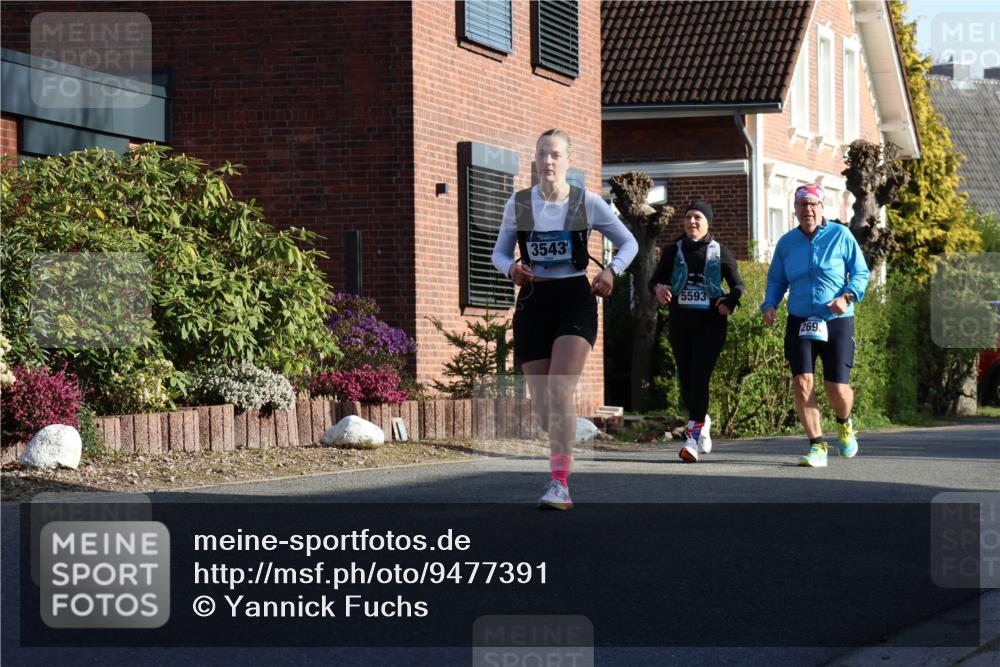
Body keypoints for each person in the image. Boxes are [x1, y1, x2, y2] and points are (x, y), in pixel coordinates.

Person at [492, 129, 638, 509]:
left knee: (559, 390)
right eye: (542, 154)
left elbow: (629, 242)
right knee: (543, 409)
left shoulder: (586, 203)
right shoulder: (520, 204)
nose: (548, 161)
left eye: (555, 154)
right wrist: (511, 269)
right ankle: (565, 432)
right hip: (534, 301)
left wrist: (611, 271)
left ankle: (560, 484)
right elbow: (499, 255)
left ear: (568, 160)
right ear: (535, 160)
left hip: (576, 298)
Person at [761, 184, 870, 467]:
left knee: (837, 389)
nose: (807, 210)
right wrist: (770, 304)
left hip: (836, 320)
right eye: (802, 205)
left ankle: (844, 423)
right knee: (802, 381)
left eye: (813, 204)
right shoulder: (787, 243)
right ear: (795, 210)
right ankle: (817, 446)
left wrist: (847, 297)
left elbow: (860, 272)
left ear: (822, 208)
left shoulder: (840, 235)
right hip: (799, 320)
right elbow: (776, 279)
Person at [648, 201, 744, 462]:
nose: (692, 221)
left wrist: (730, 302)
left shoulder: (720, 252)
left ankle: (691, 439)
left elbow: (738, 286)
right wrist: (657, 289)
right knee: (688, 383)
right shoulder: (672, 251)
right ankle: (702, 420)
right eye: (688, 217)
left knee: (700, 377)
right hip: (681, 323)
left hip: (711, 325)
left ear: (707, 222)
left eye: (698, 217)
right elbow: (653, 280)